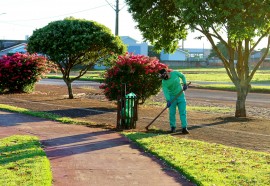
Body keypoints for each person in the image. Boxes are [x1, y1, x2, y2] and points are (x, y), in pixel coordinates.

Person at [159, 68, 189, 134]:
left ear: (166, 72)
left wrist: (184, 84)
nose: (164, 78)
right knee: (172, 113)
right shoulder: (164, 82)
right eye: (162, 77)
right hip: (172, 98)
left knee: (183, 112)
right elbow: (165, 91)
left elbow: (182, 76)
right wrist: (168, 100)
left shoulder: (175, 73)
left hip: (181, 96)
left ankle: (184, 128)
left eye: (164, 76)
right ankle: (173, 127)